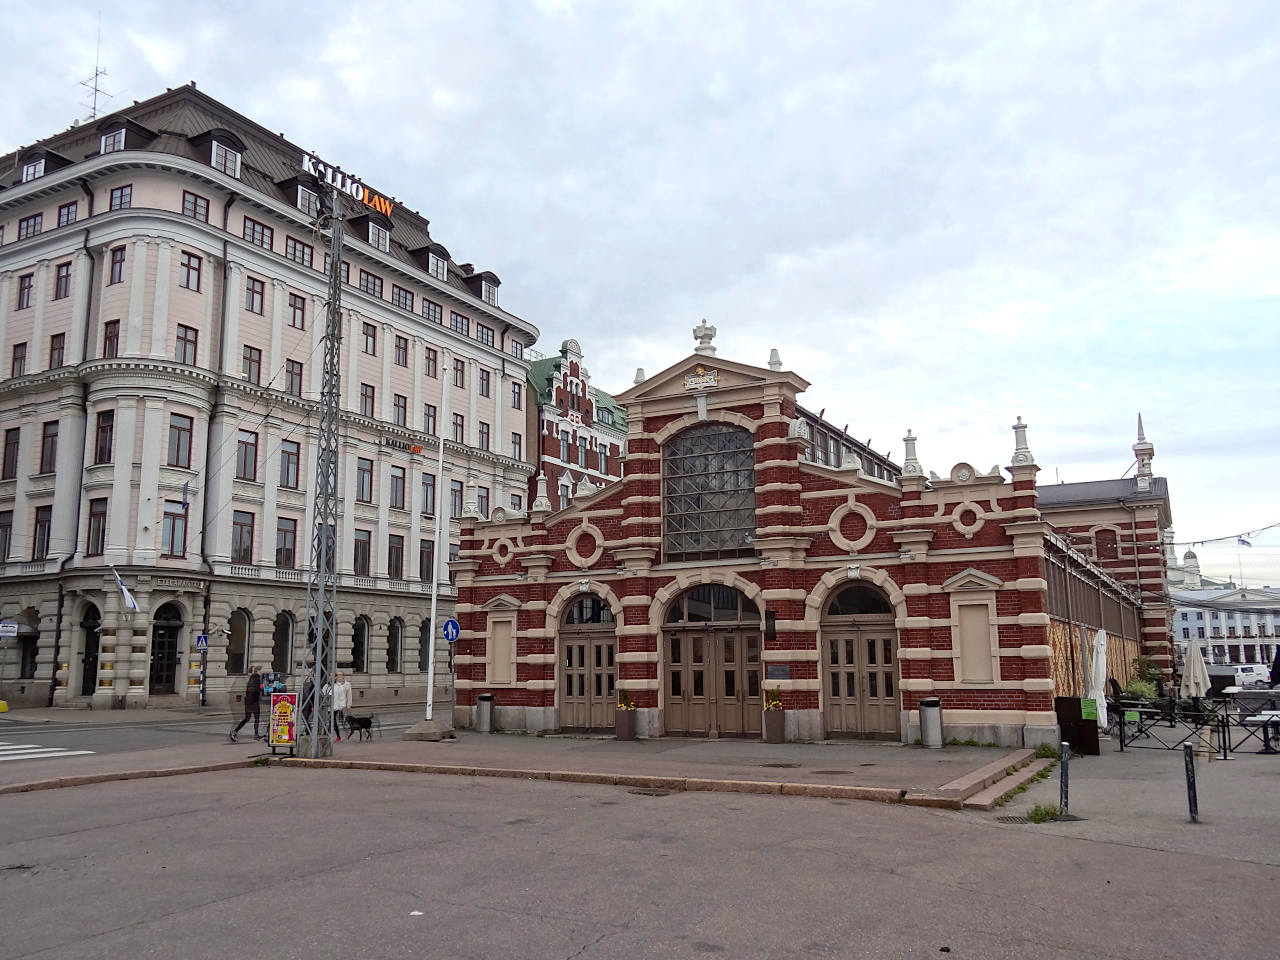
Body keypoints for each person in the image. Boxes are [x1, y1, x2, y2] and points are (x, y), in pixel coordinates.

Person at [228, 666, 263, 743]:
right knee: (255, 719)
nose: (262, 672)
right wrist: (262, 689)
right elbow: (255, 690)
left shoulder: (252, 678)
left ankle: (235, 732)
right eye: (261, 671)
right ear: (257, 671)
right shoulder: (257, 679)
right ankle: (255, 735)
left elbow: (249, 690)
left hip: (249, 701)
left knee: (247, 718)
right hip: (253, 702)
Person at [330, 670, 353, 742]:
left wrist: (349, 705)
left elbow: (349, 695)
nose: (339, 676)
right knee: (332, 720)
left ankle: (346, 734)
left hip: (343, 705)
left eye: (341, 675)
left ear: (343, 676)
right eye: (338, 675)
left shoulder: (347, 684)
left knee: (343, 721)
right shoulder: (334, 684)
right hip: (334, 705)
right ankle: (337, 736)